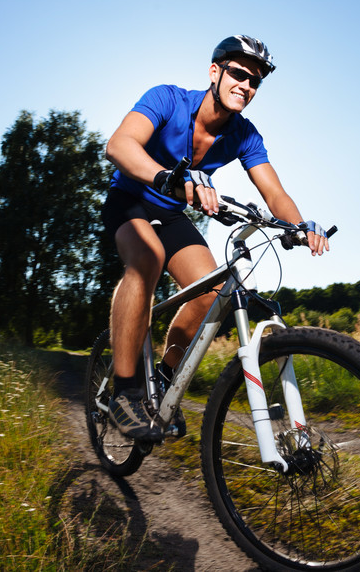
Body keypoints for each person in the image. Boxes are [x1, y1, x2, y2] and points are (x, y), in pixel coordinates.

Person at [102, 35, 329, 441]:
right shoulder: (168, 99)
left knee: (213, 292)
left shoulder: (244, 134)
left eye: (255, 81)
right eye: (239, 74)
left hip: (171, 214)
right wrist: (165, 176)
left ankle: (164, 382)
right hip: (131, 199)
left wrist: (299, 226)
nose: (246, 85)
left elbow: (274, 192)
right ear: (215, 72)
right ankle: (124, 392)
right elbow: (118, 145)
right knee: (148, 257)